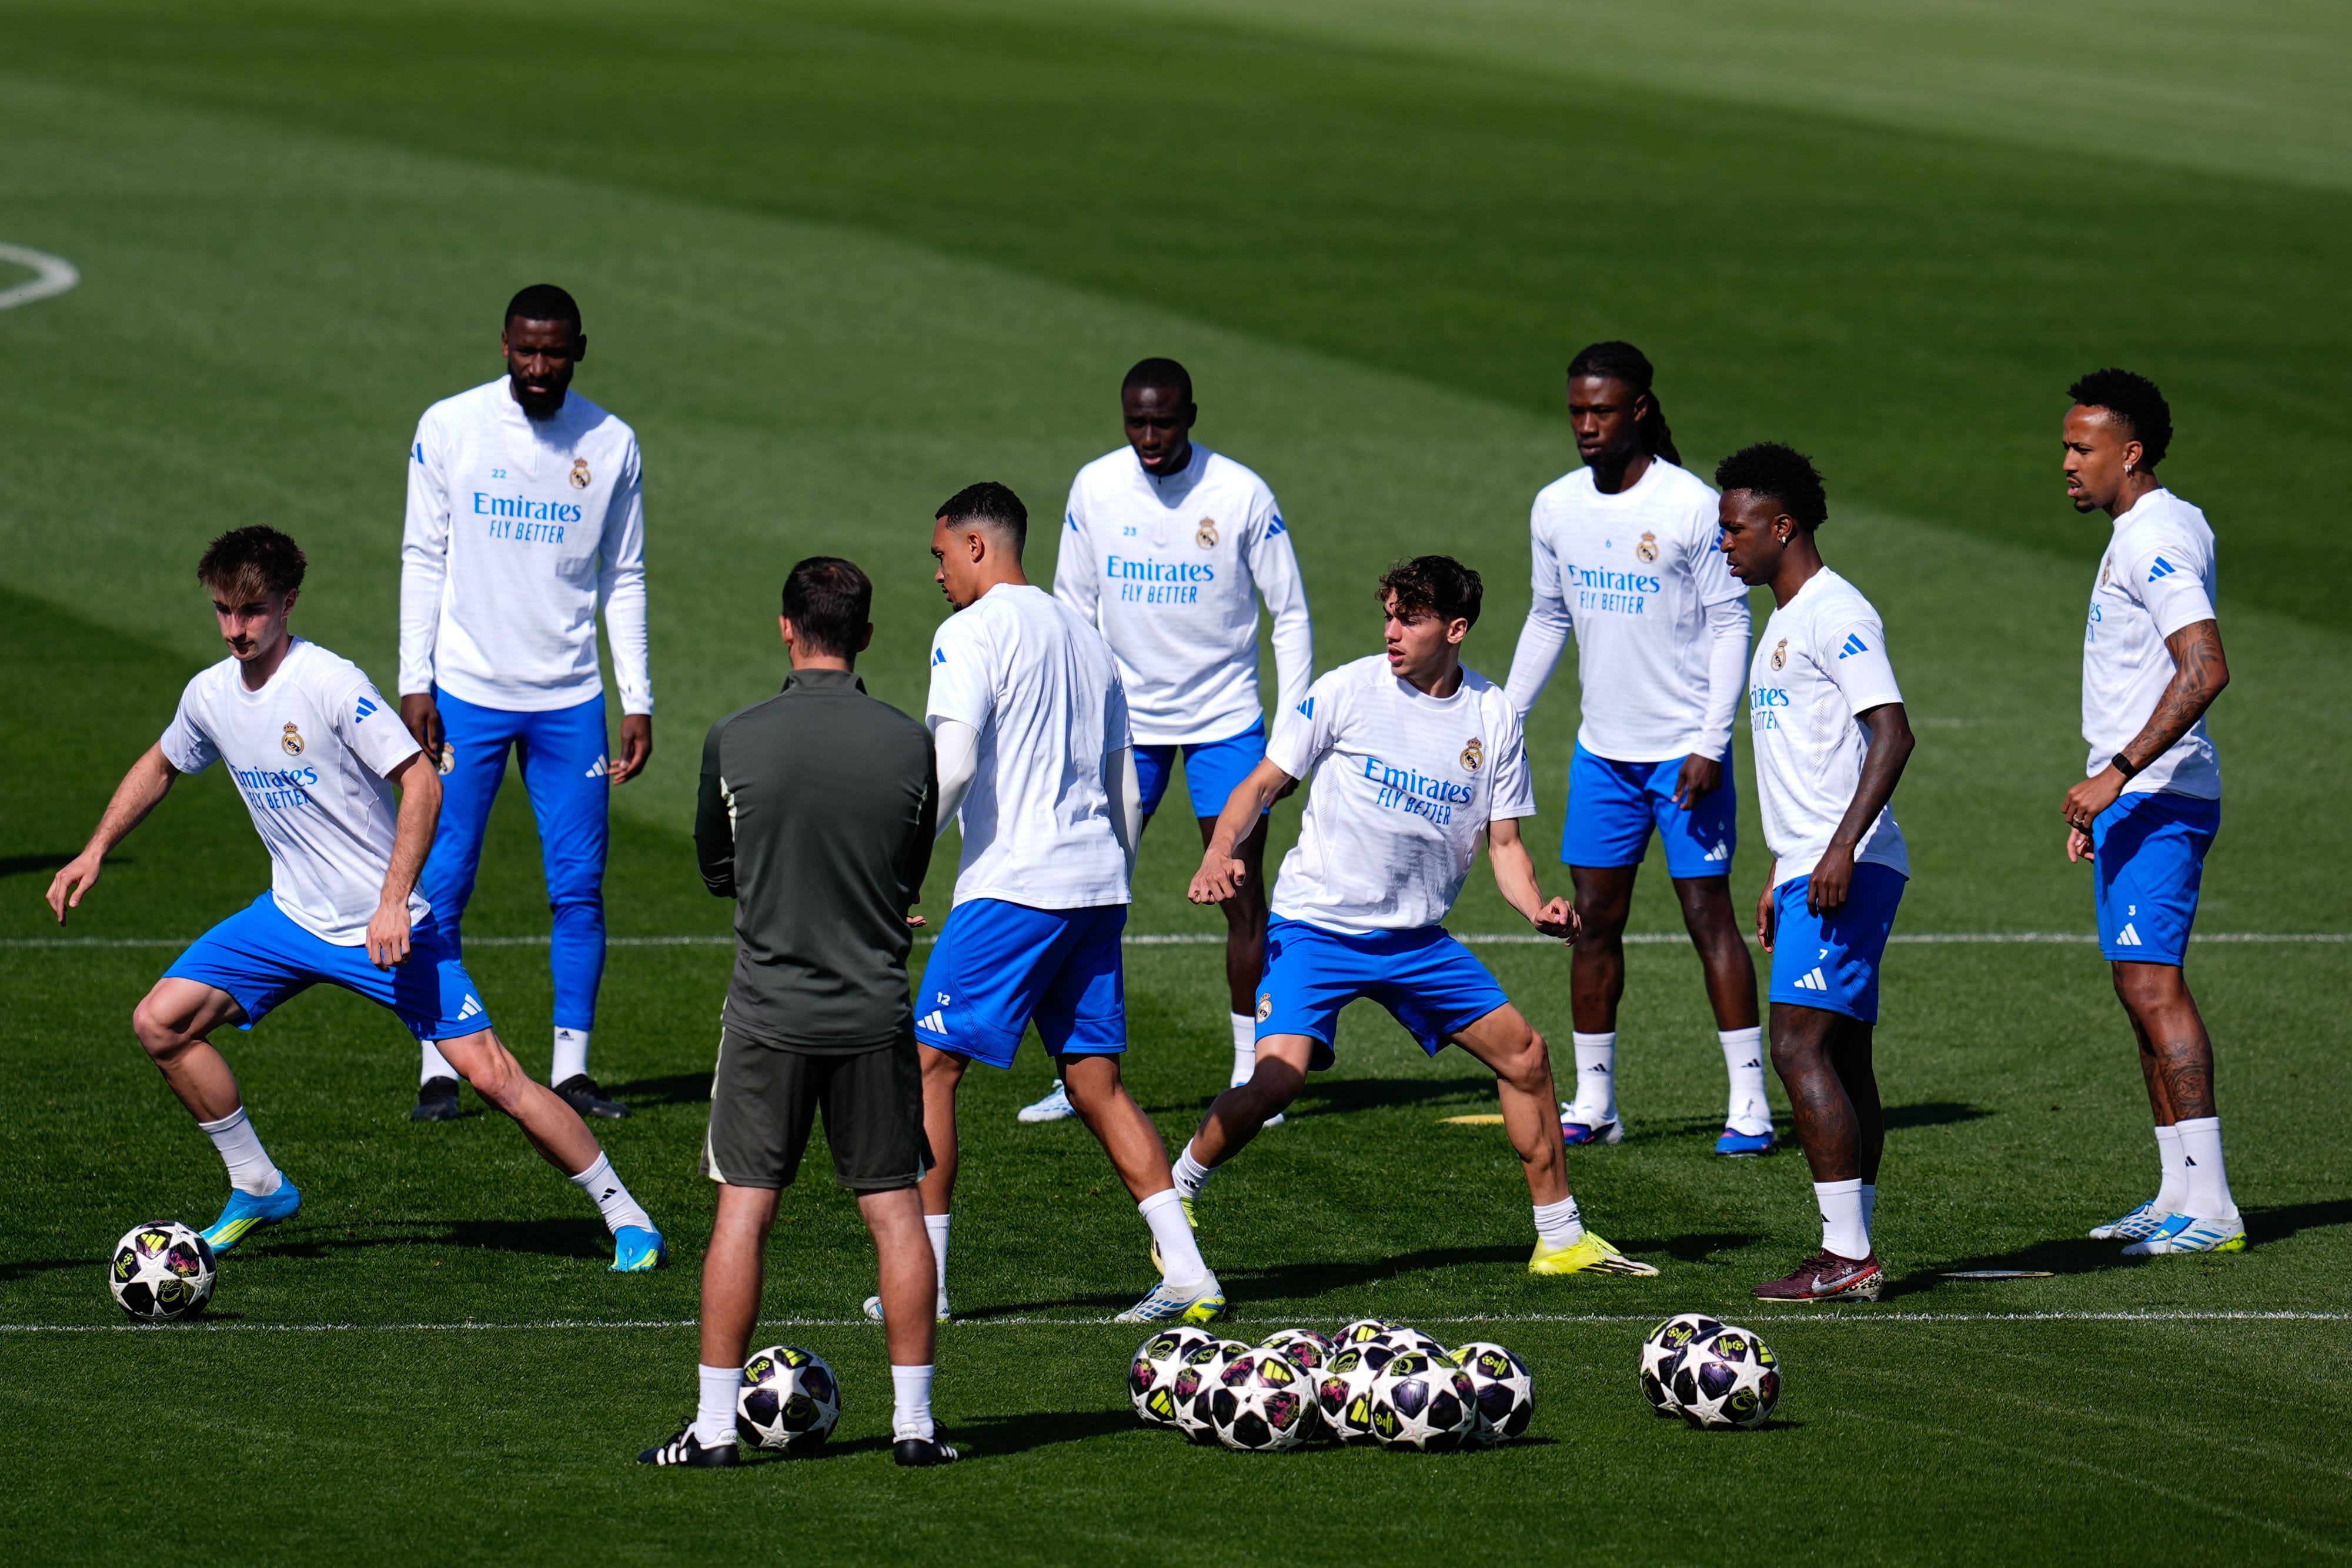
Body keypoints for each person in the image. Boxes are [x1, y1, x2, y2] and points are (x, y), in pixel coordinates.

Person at [45, 527, 664, 1269]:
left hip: (384, 928)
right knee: (160, 1023)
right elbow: (162, 763)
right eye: (223, 611)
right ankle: (257, 1184)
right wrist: (95, 848)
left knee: (494, 1077)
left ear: (289, 603)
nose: (236, 628)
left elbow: (422, 783)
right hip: (287, 919)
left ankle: (626, 1216)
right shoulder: (209, 694)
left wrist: (394, 901)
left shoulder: (331, 684)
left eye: (252, 610)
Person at [1172, 555, 1658, 1279]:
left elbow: (1503, 844)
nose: (1391, 632)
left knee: (1525, 1056)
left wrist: (1537, 907)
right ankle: (1175, 1192)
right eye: (1389, 616)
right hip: (1316, 928)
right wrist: (1219, 852)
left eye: (1411, 619)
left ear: (1455, 629)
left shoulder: (1492, 716)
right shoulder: (1346, 690)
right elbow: (1260, 786)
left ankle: (1560, 1237)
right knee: (1277, 1080)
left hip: (1415, 941)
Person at [642, 557, 957, 1469]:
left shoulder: (735, 737)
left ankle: (713, 1431)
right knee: (896, 1213)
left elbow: (717, 868)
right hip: (874, 1013)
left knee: (744, 1213)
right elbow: (905, 873)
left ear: (787, 626)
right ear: (866, 634)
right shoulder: (910, 743)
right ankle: (915, 1426)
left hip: (768, 1016)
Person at [887, 481, 1225, 1326]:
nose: (937, 573)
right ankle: (1188, 1272)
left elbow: (954, 765)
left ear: (975, 545)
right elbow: (1126, 787)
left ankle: (925, 1284)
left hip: (1015, 887)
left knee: (929, 1067)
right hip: (1095, 887)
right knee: (1095, 1084)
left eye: (940, 554)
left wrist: (900, 871)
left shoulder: (970, 632)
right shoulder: (1087, 635)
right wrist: (1113, 881)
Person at [1023, 358, 1313, 1125]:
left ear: (1190, 416)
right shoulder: (1095, 487)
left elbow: (1290, 613)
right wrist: (1073, 718)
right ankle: (1078, 1073)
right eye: (1137, 423)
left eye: (1163, 422)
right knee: (1090, 891)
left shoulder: (1241, 493)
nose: (1149, 437)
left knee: (1243, 897)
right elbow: (1071, 606)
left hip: (1227, 721)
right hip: (1125, 725)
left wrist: (1292, 733)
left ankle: (1254, 1074)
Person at [397, 283, 651, 1124]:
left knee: (579, 888)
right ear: (503, 345)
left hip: (570, 700)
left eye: (554, 351)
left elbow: (624, 574)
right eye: (525, 350)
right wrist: (415, 679)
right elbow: (423, 554)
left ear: (580, 350)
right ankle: (438, 1064)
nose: (539, 366)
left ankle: (571, 1069)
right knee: (442, 882)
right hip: (465, 693)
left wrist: (638, 697)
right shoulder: (451, 426)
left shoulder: (612, 442)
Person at [1504, 342, 1765, 1154]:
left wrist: (1712, 741)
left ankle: (1750, 1103)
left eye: (1602, 410)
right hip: (1602, 758)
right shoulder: (1555, 506)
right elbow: (1548, 616)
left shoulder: (1689, 505)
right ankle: (1595, 1102)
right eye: (1576, 411)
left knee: (1708, 918)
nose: (1586, 425)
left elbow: (1732, 622)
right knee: (1592, 926)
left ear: (1640, 410)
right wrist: (1504, 718)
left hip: (1684, 758)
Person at [1714, 446, 1914, 1303]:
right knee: (1841, 1052)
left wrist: (1836, 850)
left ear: (1783, 525)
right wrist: (1781, 867)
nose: (1725, 543)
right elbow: (1811, 761)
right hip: (1813, 862)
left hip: (1845, 865)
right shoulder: (1783, 621)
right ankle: (1852, 1248)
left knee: (1796, 1045)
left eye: (1736, 529)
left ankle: (1845, 1254)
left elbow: (1893, 732)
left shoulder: (1836, 612)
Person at [2060, 370, 2241, 1256]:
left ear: (2129, 453)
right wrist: (2103, 794)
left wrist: (2118, 774)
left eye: (2082, 448)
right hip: (2135, 800)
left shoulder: (2155, 537)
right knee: (2137, 988)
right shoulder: (2155, 525)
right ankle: (2177, 1193)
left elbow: (2205, 665)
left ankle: (2214, 1207)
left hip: (2159, 795)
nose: (2067, 463)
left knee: (2153, 986)